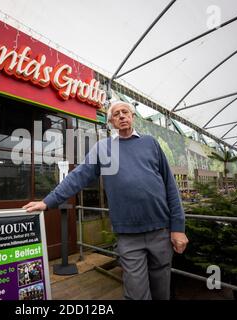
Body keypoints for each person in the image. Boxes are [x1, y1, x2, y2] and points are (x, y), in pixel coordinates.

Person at [23, 101, 188, 300]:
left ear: (132, 116)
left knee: (162, 292)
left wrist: (178, 227)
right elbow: (79, 176)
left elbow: (170, 185)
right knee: (136, 294)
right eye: (116, 114)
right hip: (128, 236)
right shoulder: (103, 148)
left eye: (125, 112)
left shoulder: (150, 143)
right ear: (110, 122)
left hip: (161, 231)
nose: (121, 116)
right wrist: (48, 201)